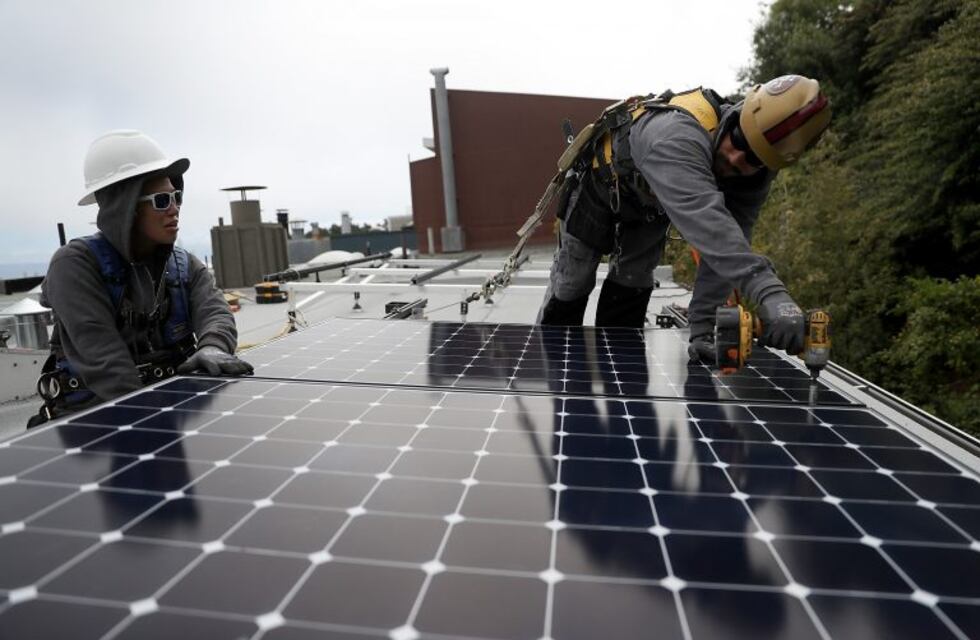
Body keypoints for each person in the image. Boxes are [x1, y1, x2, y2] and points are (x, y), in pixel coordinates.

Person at [536, 74, 831, 364]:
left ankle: (619, 381)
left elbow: (730, 242)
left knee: (633, 282)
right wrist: (770, 292)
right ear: (736, 115)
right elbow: (709, 225)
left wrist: (701, 328)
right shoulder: (674, 135)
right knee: (571, 284)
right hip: (597, 188)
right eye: (739, 139)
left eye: (755, 158)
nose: (737, 159)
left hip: (650, 206)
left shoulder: (755, 175)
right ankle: (560, 373)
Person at [30, 130, 253, 426]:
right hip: (97, 424)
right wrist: (158, 427)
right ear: (125, 206)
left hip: (173, 411)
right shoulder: (74, 265)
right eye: (161, 200)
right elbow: (107, 363)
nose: (174, 209)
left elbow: (215, 312)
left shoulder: (186, 265)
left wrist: (213, 345)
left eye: (177, 197)